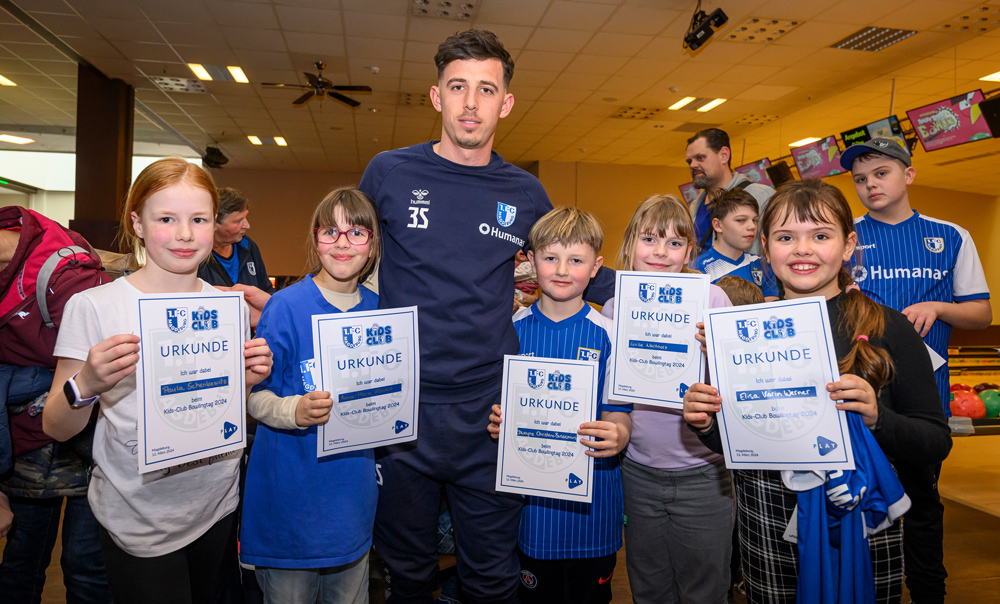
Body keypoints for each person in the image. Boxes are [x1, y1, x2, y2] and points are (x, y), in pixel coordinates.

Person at [358, 29, 613, 603]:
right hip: (403, 410)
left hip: (492, 414)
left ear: (506, 102)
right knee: (408, 578)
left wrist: (672, 293)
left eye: (486, 89)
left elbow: (574, 266)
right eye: (458, 87)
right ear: (435, 96)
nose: (471, 103)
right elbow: (346, 255)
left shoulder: (524, 191)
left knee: (492, 579)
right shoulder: (389, 172)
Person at [683, 179, 952, 604]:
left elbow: (935, 441)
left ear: (848, 246)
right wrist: (704, 420)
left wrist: (876, 418)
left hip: (862, 514)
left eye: (821, 236)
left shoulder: (888, 327)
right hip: (765, 513)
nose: (803, 249)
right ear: (766, 249)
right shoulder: (744, 331)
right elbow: (738, 441)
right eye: (786, 237)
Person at [41, 158, 274, 604]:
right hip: (138, 516)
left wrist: (245, 381)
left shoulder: (229, 308)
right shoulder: (95, 307)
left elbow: (219, 408)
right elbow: (56, 426)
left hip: (217, 504)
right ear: (138, 223)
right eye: (166, 219)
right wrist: (86, 384)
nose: (185, 234)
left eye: (198, 220)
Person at [841, 138, 990, 604]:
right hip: (855, 396)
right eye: (861, 180)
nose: (870, 185)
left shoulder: (950, 236)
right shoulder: (845, 236)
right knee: (857, 502)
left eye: (881, 173)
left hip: (923, 397)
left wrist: (939, 306)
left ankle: (929, 593)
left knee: (922, 504)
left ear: (907, 175)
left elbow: (981, 314)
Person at [239, 187, 382, 603]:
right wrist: (295, 411)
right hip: (289, 504)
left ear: (371, 245)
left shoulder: (382, 311)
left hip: (350, 506)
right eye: (330, 231)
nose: (342, 243)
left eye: (356, 233)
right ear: (315, 239)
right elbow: (252, 397)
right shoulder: (284, 307)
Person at [486, 207, 631, 604]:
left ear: (596, 267)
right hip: (531, 516)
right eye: (550, 258)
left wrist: (618, 434)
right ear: (531, 261)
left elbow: (619, 411)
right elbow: (495, 405)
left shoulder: (611, 334)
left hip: (595, 511)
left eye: (576, 260)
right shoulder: (509, 332)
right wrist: (497, 421)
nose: (562, 270)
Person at [600, 195, 736, 604]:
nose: (660, 252)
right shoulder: (611, 308)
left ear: (690, 253)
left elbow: (737, 394)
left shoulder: (713, 301)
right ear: (629, 246)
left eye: (674, 243)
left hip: (704, 475)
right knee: (650, 586)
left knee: (705, 590)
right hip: (638, 472)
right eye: (649, 239)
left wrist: (716, 356)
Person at [0, 206, 112, 603]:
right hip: (26, 443)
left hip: (82, 435)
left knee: (84, 565)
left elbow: (97, 366)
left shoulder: (63, 272)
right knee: (22, 561)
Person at [685, 128, 774, 255]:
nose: (692, 165)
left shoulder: (762, 197)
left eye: (700, 158)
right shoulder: (695, 206)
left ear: (724, 156)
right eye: (689, 161)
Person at [198, 187, 275, 328]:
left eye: (245, 217)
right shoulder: (197, 256)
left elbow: (266, 290)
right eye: (238, 221)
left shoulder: (248, 246)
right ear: (214, 224)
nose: (247, 225)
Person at [691, 188, 779, 301]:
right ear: (717, 225)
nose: (752, 226)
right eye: (741, 220)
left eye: (755, 220)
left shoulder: (763, 264)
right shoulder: (697, 269)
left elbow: (771, 314)